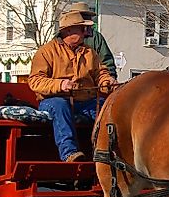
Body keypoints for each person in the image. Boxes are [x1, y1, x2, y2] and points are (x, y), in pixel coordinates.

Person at [28, 8, 115, 162]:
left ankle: (110, 152)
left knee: (106, 107)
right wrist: (61, 84)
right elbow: (35, 81)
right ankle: (69, 153)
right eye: (83, 29)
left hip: (84, 102)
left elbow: (100, 74)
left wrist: (106, 82)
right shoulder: (46, 52)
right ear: (68, 31)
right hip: (52, 101)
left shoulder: (90, 53)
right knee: (60, 105)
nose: (86, 32)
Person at [65, 1, 117, 78]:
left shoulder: (96, 38)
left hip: (93, 85)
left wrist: (108, 81)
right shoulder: (60, 39)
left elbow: (107, 64)